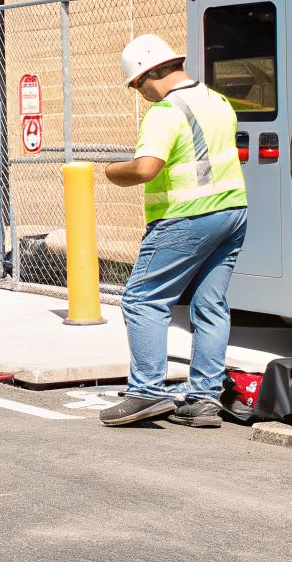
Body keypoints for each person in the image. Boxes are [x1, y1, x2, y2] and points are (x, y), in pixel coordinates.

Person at [98, 35, 248, 428]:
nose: (139, 93)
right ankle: (204, 399)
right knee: (210, 304)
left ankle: (146, 391)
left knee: (142, 299)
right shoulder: (217, 101)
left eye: (136, 85)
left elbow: (146, 168)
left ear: (148, 74)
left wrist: (111, 171)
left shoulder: (165, 112)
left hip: (186, 217)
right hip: (232, 212)